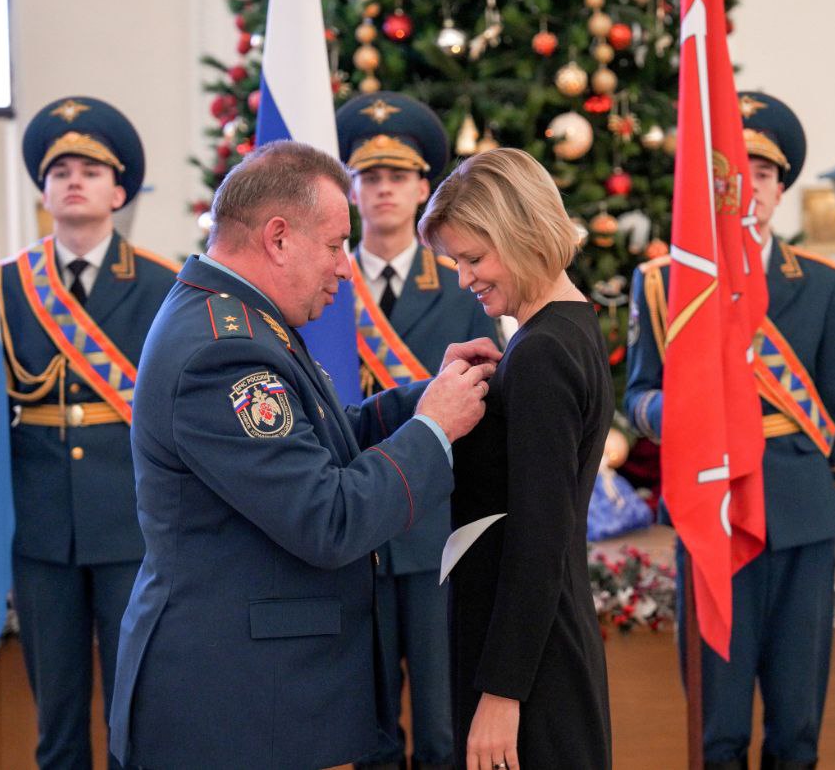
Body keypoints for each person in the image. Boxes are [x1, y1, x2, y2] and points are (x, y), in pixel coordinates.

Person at [108, 140, 498, 770]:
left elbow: (321, 437)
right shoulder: (222, 350)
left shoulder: (240, 320)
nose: (345, 268)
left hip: (254, 699)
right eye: (336, 244)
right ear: (279, 238)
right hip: (235, 712)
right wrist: (432, 431)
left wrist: (427, 396)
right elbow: (327, 518)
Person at [624, 92, 835, 770]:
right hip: (712, 519)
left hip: (803, 517)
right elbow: (637, 397)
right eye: (736, 172)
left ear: (780, 188)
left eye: (764, 173)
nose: (749, 186)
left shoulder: (819, 282)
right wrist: (686, 411)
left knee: (797, 731)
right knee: (718, 730)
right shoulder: (663, 282)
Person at [418, 147, 614, 770]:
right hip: (535, 642)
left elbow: (539, 537)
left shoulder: (540, 352)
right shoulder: (564, 329)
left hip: (526, 663)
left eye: (473, 258)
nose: (463, 277)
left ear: (523, 232)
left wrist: (501, 694)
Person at [0, 96, 177, 769]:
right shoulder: (3, 286)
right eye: (61, 169)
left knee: (136, 708)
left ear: (120, 189)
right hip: (41, 524)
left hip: (134, 522)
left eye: (92, 170)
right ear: (43, 190)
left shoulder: (164, 283)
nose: (75, 180)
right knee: (58, 721)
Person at [336, 92, 499, 770]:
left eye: (397, 177)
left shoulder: (466, 282)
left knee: (440, 727)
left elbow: (488, 400)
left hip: (436, 526)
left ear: (425, 186)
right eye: (368, 177)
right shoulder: (321, 282)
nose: (382, 191)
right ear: (349, 187)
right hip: (352, 524)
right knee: (368, 730)